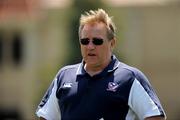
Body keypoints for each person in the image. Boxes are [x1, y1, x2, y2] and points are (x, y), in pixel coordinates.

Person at [36, 9, 166, 120]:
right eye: (85, 41)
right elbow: (46, 117)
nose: (90, 46)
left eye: (97, 41)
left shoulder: (130, 77)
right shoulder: (63, 76)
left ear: (112, 43)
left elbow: (154, 116)